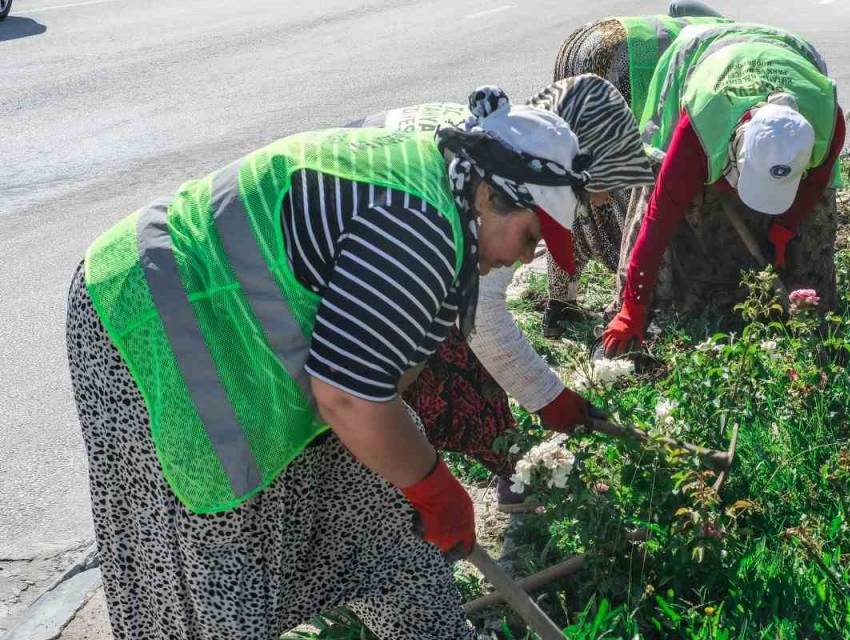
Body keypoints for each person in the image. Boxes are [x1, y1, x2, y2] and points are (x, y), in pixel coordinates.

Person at [66, 86, 590, 639]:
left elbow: (378, 380)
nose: (523, 258)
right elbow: (347, 396)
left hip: (237, 339)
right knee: (218, 569)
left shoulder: (451, 213)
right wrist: (434, 487)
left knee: (390, 530)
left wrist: (414, 471)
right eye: (530, 236)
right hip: (151, 321)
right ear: (488, 194)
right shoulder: (420, 229)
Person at [355, 77, 654, 511]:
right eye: (600, 181)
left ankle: (480, 469)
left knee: (453, 342)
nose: (606, 199)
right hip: (346, 254)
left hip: (371, 235)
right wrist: (549, 398)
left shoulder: (510, 161)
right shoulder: (499, 195)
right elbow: (484, 321)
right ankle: (403, 484)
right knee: (427, 361)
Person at [601, 20, 846, 356]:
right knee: (672, 204)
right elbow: (659, 218)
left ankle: (813, 322)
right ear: (734, 149)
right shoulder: (700, 124)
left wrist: (785, 231)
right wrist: (632, 305)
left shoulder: (826, 117)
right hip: (702, 56)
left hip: (791, 52)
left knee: (816, 225)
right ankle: (666, 307)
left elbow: (816, 185)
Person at [548, 7, 729, 335]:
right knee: (632, 194)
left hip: (587, 38)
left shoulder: (722, 30)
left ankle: (560, 303)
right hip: (628, 59)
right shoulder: (737, 52)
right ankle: (632, 296)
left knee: (576, 186)